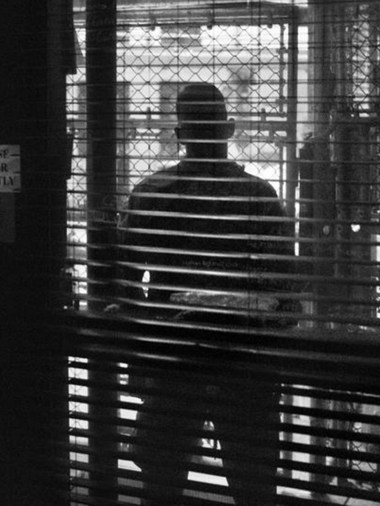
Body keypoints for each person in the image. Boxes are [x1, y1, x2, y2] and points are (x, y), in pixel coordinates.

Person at [117, 83, 297, 505]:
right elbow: (285, 293)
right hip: (242, 368)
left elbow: (125, 288)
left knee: (161, 487)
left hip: (173, 364)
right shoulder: (258, 197)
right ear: (229, 129)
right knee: (252, 487)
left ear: (179, 134)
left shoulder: (151, 195)